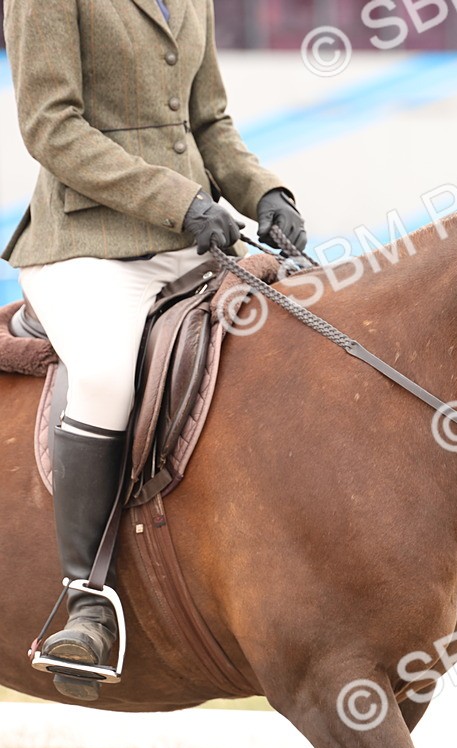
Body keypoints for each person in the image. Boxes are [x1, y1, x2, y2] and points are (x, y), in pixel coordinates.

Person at [2, 0, 307, 701]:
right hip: (86, 248)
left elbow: (209, 122)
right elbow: (52, 128)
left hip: (187, 242)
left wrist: (265, 192)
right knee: (105, 377)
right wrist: (179, 200)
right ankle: (85, 604)